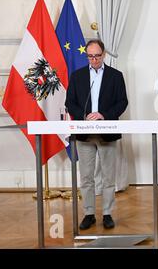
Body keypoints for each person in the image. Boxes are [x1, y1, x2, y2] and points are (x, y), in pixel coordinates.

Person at [65, 39, 128, 230]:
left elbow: (122, 102)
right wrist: (85, 116)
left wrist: (103, 115)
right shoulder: (77, 76)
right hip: (85, 133)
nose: (94, 60)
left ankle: (107, 213)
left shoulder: (116, 76)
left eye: (97, 56)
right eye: (90, 56)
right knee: (86, 176)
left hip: (107, 132)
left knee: (109, 176)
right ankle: (89, 213)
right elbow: (70, 102)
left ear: (104, 54)